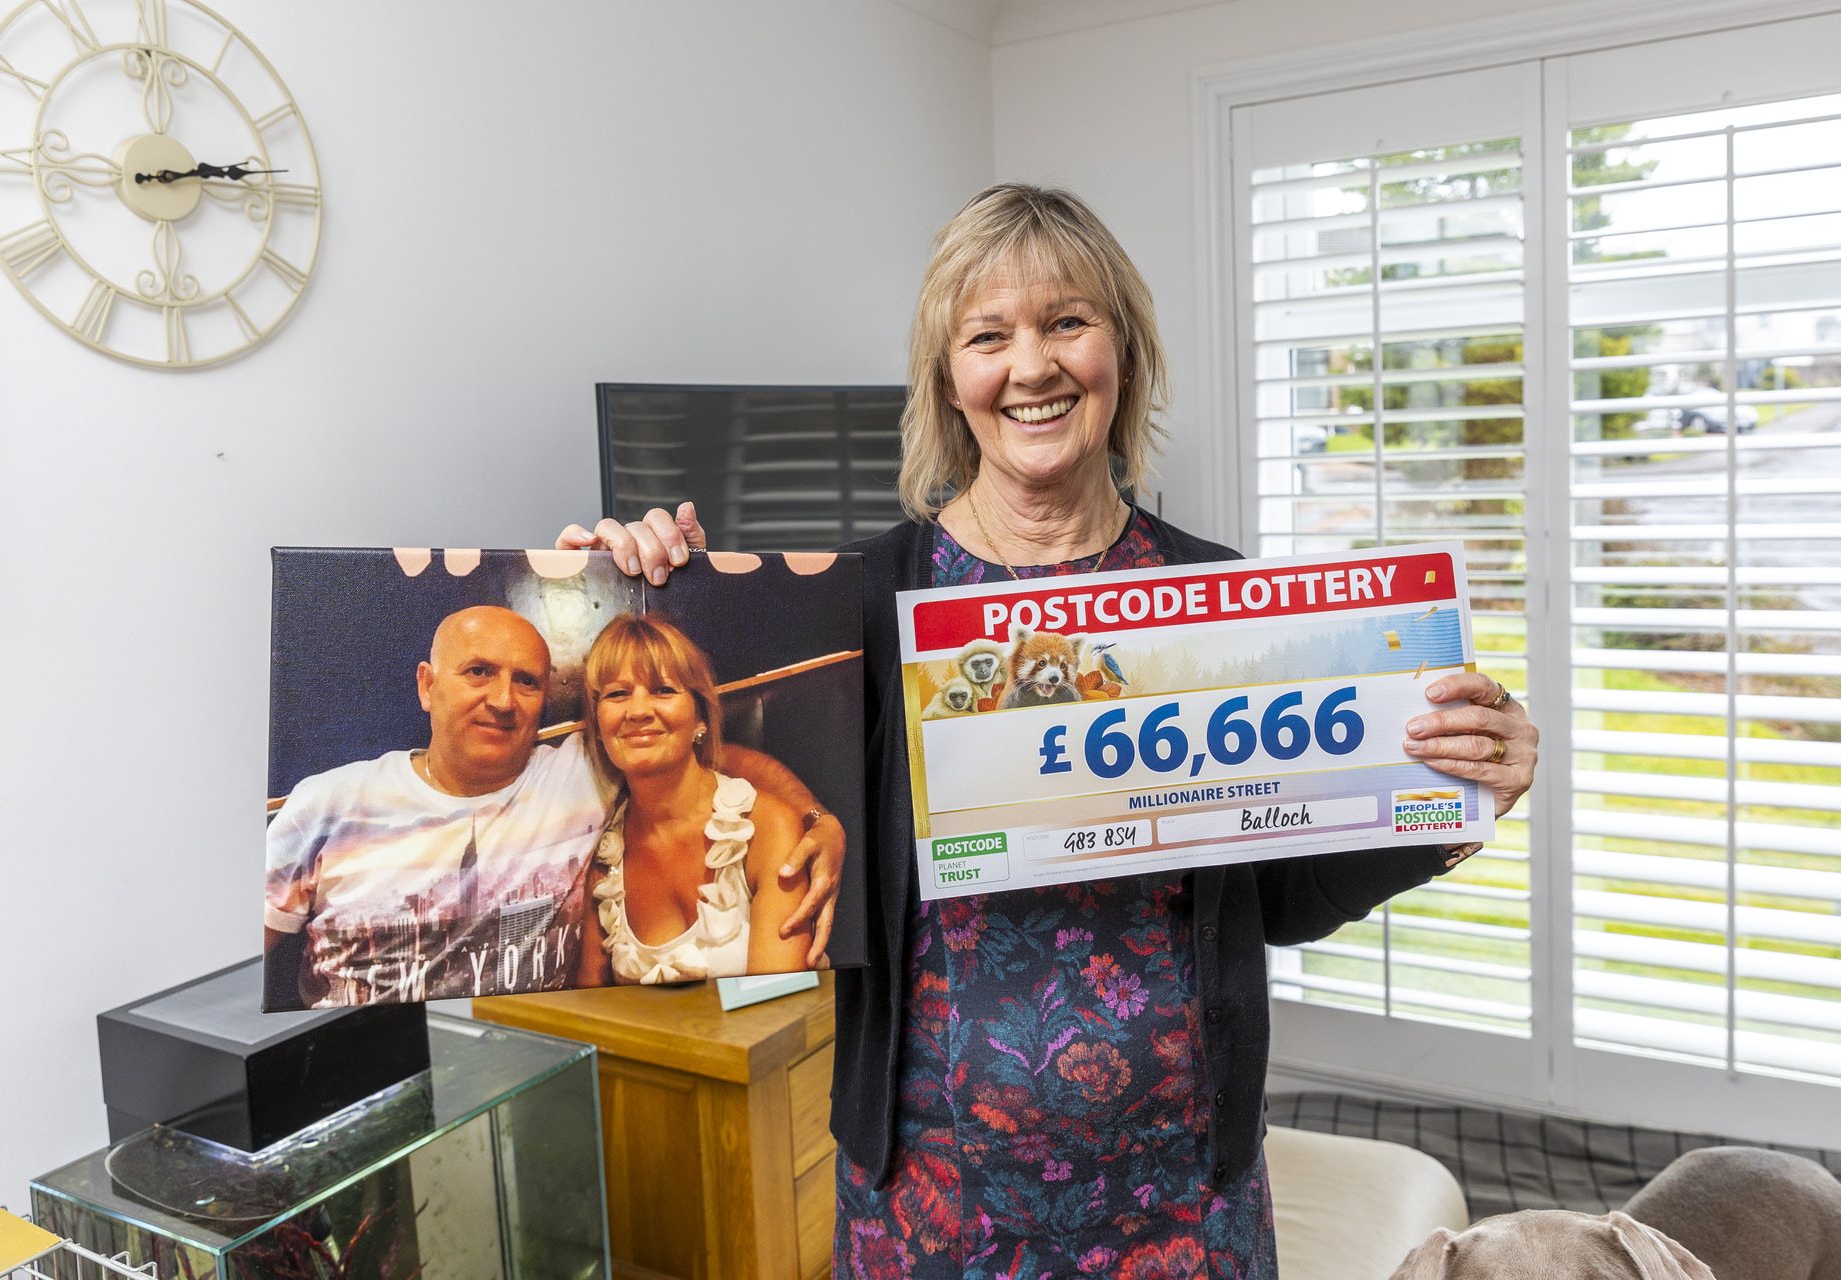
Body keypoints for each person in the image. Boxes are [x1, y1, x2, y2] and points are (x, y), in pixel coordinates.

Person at [559, 183, 1540, 1277]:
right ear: (949, 380)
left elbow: (1282, 893)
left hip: (1181, 1201)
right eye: (990, 336)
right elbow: (693, 801)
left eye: (1067, 322)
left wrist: (1451, 793)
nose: (1031, 366)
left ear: (1122, 351)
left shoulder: (1222, 598)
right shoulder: (860, 603)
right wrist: (627, 594)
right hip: (930, 1197)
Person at [265, 604, 843, 1006]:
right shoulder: (328, 804)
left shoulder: (580, 778)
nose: (501, 699)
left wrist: (817, 818)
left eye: (526, 681)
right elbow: (225, 966)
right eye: (478, 673)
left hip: (544, 1054)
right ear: (426, 685)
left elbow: (717, 759)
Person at [572, 614, 811, 985]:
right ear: (599, 727)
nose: (637, 711)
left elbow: (777, 1002)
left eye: (663, 690)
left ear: (700, 717)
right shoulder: (604, 865)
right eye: (617, 693)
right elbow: (590, 1007)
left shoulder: (767, 826)